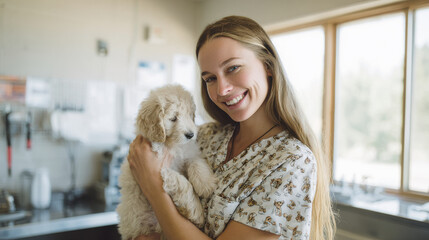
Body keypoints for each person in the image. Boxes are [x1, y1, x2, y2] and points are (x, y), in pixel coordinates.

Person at [127, 16, 336, 240]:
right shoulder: (206, 136)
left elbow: (151, 178)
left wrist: (153, 187)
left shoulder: (291, 160)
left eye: (233, 68)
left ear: (268, 65)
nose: (222, 89)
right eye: (210, 79)